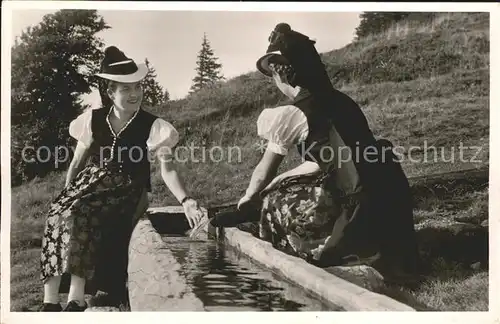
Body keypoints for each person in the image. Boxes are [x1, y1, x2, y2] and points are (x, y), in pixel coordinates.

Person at [224, 23, 419, 283]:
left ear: (283, 75)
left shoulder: (295, 112)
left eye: (274, 75)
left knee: (273, 202)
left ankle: (317, 254)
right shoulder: (342, 102)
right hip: (387, 198)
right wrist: (277, 181)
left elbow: (263, 170)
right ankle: (380, 254)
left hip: (355, 206)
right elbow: (327, 160)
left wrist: (249, 198)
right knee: (281, 186)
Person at [39, 46, 206, 311]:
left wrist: (186, 199)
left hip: (127, 187)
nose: (135, 94)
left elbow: (168, 169)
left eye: (138, 87)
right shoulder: (92, 120)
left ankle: (76, 297)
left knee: (82, 212)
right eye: (126, 89)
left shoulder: (153, 125)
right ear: (110, 93)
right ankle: (49, 300)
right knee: (58, 212)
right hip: (91, 184)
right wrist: (65, 195)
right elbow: (76, 165)